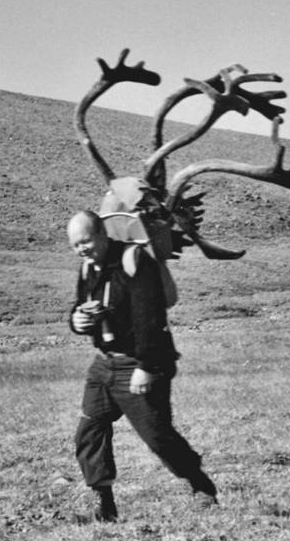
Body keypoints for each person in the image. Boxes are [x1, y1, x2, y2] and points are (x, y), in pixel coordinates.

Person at [67, 210, 217, 522]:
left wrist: (146, 366)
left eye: (87, 241)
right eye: (75, 245)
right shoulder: (87, 269)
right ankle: (103, 501)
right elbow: (79, 306)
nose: (82, 249)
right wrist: (78, 320)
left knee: (157, 434)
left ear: (103, 234)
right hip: (104, 364)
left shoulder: (133, 261)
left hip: (140, 363)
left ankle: (199, 483)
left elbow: (150, 317)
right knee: (90, 429)